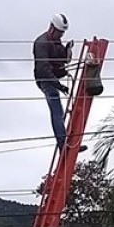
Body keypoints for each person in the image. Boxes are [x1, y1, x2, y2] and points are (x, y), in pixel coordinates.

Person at [33, 13, 87, 153]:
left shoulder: (56, 42)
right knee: (57, 110)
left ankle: (66, 141)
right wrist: (59, 85)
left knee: (59, 110)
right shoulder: (41, 43)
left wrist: (67, 50)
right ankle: (63, 144)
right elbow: (43, 69)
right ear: (52, 28)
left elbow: (62, 59)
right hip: (45, 80)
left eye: (62, 33)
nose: (60, 36)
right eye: (59, 32)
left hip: (54, 78)